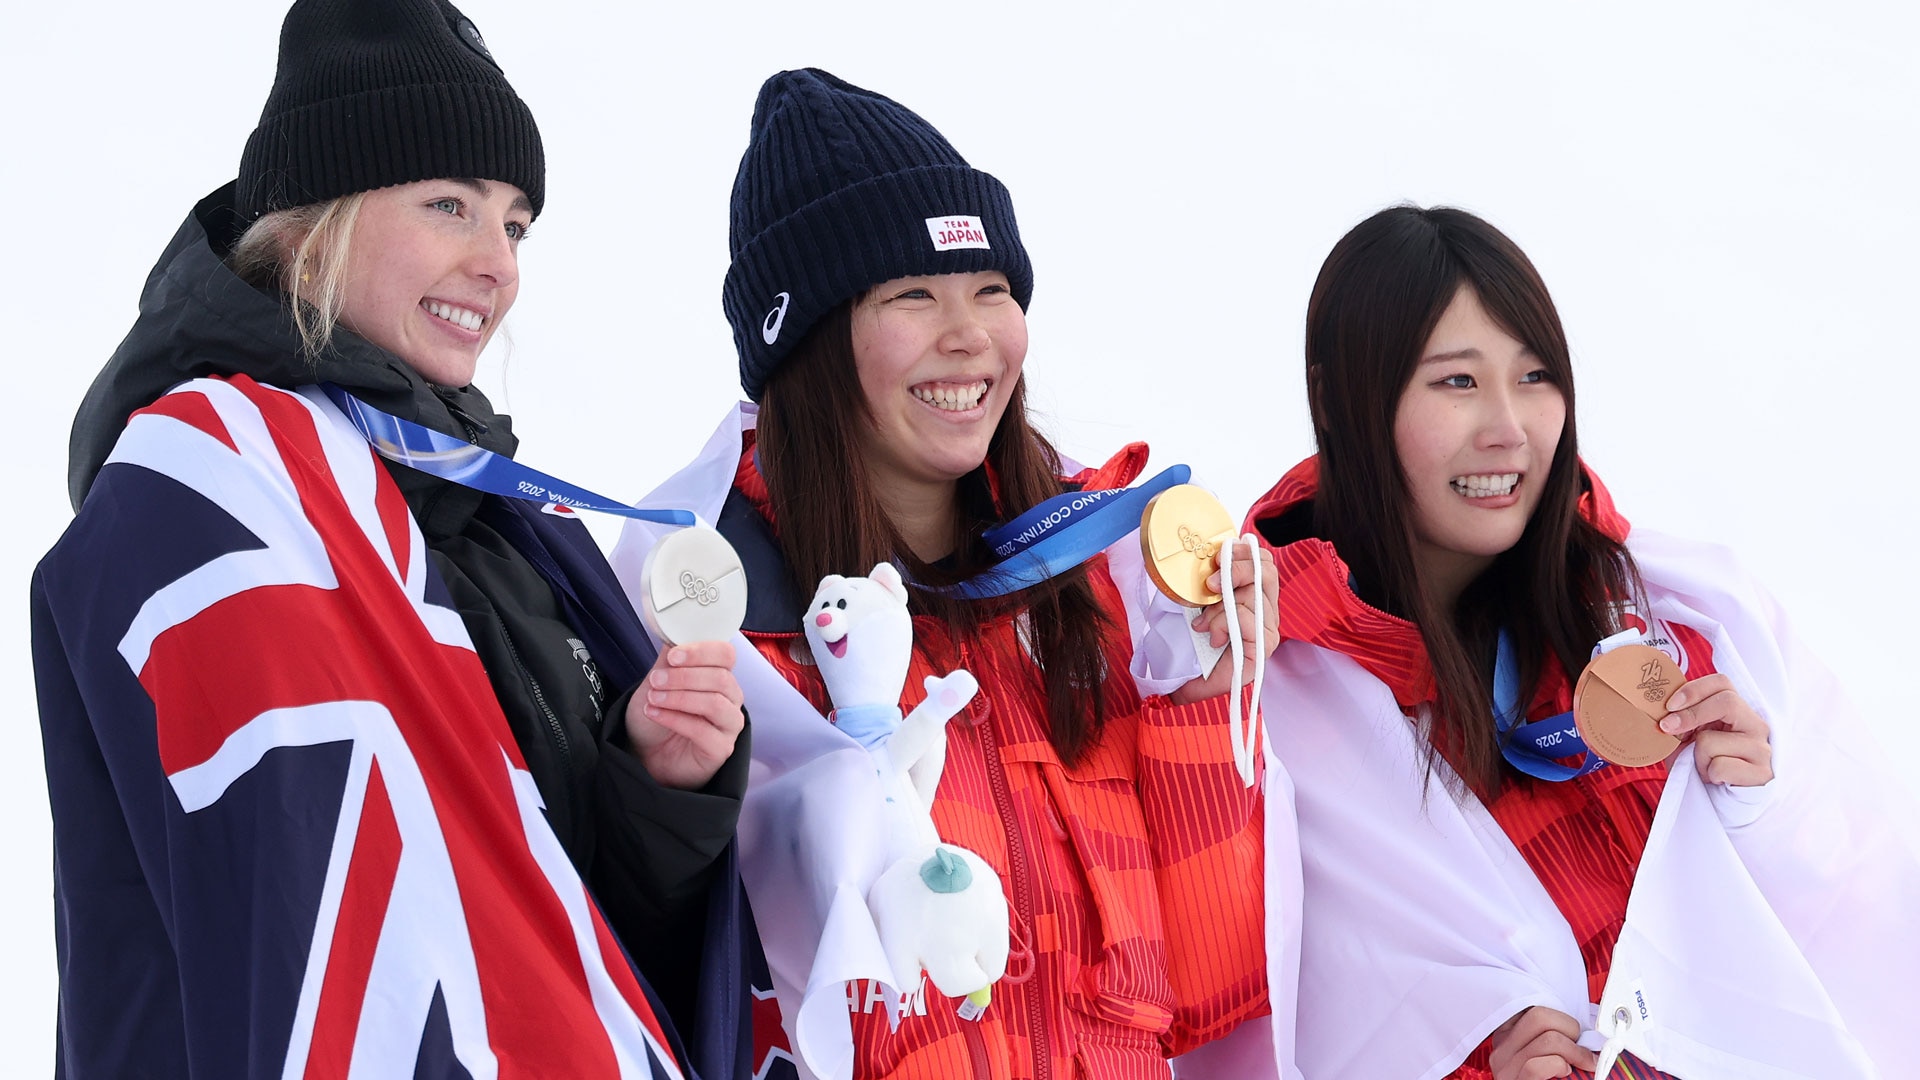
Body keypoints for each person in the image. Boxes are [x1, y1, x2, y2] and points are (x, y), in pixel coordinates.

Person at [32, 1, 750, 1076]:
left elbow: (553, 923)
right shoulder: (208, 487)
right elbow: (299, 912)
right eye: (449, 205)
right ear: (316, 217)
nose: (497, 263)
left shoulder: (499, 524)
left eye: (514, 224)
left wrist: (655, 787)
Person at [612, 69, 1277, 1080]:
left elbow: (1209, 988)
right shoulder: (713, 610)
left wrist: (1214, 698)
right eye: (913, 294)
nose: (969, 334)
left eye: (992, 290)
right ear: (807, 341)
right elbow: (651, 975)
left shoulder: (1091, 589)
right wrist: (656, 791)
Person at [1249, 205, 1920, 1080]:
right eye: (1456, 382)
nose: (1509, 428)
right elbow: (1269, 1020)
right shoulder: (1269, 699)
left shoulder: (1669, 619)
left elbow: (1858, 928)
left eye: (1535, 377)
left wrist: (1763, 810)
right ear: (1338, 399)